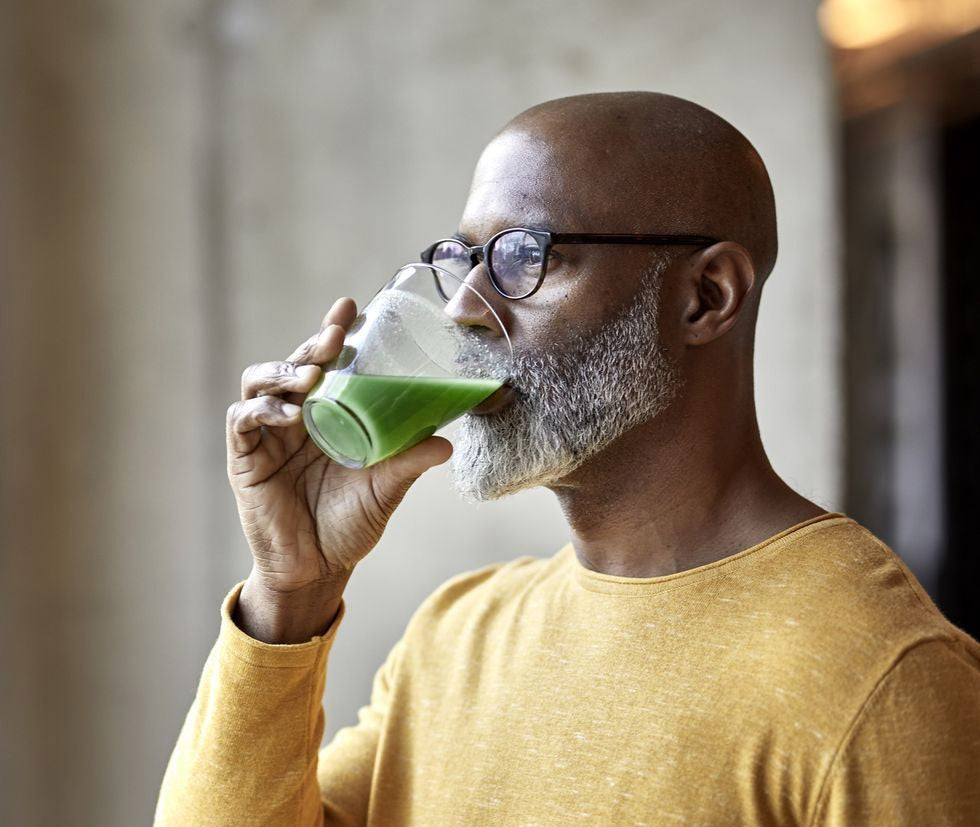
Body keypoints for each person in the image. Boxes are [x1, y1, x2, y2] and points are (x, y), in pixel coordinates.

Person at [155, 92, 980, 825]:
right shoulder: (456, 637)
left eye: (523, 256)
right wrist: (289, 592)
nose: (467, 311)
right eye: (463, 260)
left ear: (706, 296)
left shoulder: (880, 674)